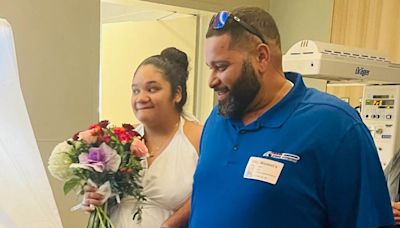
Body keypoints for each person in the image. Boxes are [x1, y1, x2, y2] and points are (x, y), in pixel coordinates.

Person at [189, 7, 395, 227]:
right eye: (210, 67)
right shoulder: (217, 121)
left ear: (261, 57)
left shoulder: (335, 126)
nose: (211, 80)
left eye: (221, 67)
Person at [83, 47, 202, 228]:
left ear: (177, 94)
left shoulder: (198, 137)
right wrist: (95, 198)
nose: (141, 98)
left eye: (152, 89)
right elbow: (108, 200)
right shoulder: (121, 141)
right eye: (135, 90)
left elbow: (211, 192)